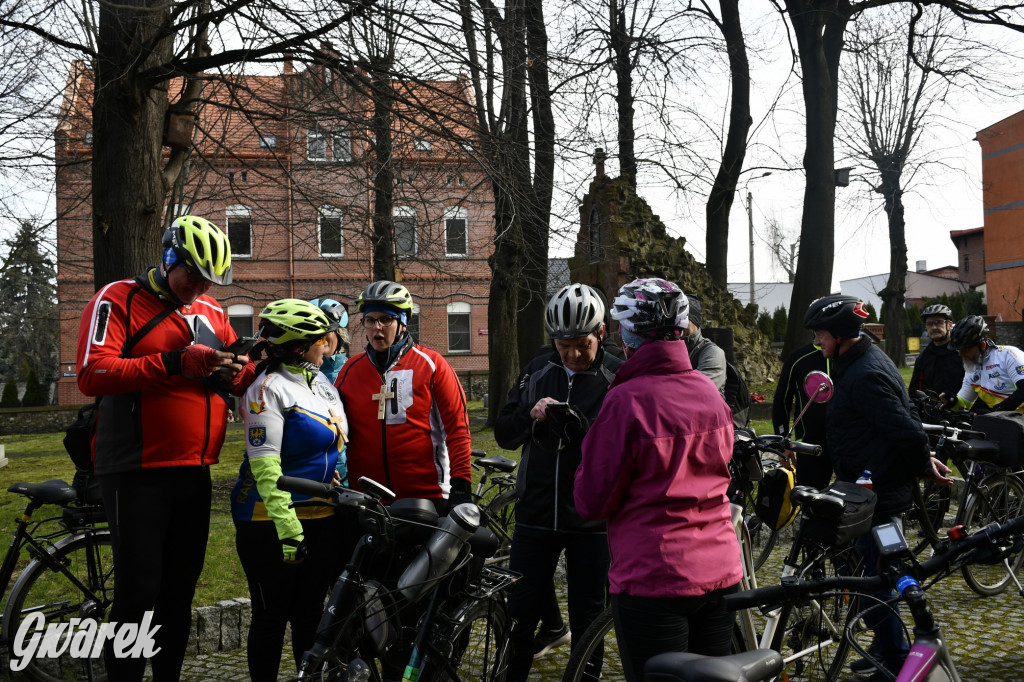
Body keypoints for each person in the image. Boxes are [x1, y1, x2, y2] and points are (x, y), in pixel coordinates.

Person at [75, 215, 247, 681]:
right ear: (170, 257)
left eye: (208, 281)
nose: (198, 288)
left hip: (194, 469)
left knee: (179, 593)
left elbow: (236, 371)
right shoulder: (119, 298)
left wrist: (237, 369)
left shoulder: (211, 313)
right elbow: (93, 373)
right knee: (137, 594)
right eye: (192, 276)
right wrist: (173, 361)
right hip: (135, 470)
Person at [574, 278, 741, 682]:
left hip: (654, 578)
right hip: (720, 573)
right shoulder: (708, 392)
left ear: (627, 336)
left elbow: (592, 500)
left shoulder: (625, 401)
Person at [803, 294, 952, 680]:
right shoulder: (859, 360)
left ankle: (896, 655)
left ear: (839, 333)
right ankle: (883, 643)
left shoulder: (864, 372)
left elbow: (905, 429)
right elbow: (908, 412)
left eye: (820, 334)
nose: (817, 341)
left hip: (877, 493)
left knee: (881, 575)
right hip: (864, 485)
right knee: (869, 569)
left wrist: (925, 465)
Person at [495, 282, 623, 682]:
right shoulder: (538, 368)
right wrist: (531, 416)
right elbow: (504, 433)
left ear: (600, 333)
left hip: (591, 521)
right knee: (520, 614)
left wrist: (587, 428)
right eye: (563, 345)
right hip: (535, 515)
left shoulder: (617, 374)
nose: (572, 354)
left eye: (581, 344)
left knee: (588, 617)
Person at [231, 299, 347, 681]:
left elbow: (334, 446)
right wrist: (289, 530)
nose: (328, 341)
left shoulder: (321, 382)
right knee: (271, 617)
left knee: (310, 616)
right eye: (320, 336)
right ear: (299, 344)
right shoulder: (267, 389)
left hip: (323, 516)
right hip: (269, 521)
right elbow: (266, 470)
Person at [334, 280, 472, 508]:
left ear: (403, 323)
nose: (376, 327)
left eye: (385, 319)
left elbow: (457, 430)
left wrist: (461, 484)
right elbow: (335, 432)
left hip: (426, 496)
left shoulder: (432, 365)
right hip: (366, 499)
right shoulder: (350, 370)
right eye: (370, 320)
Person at [772, 342, 833, 489]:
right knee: (811, 503)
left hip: (846, 443)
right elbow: (782, 400)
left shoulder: (849, 357)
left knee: (852, 503)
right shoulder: (799, 357)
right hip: (809, 444)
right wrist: (783, 441)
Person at [941, 315, 1024, 413]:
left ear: (982, 345)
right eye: (959, 350)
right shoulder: (972, 368)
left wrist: (996, 412)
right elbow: (965, 404)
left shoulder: (1009, 355)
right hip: (1009, 422)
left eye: (966, 350)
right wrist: (952, 402)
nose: (961, 355)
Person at [908, 304, 964, 398]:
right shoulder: (923, 359)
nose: (933, 327)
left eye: (938, 322)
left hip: (962, 409)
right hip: (932, 410)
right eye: (929, 324)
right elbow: (914, 391)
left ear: (949, 325)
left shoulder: (962, 353)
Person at [683, 296, 726, 395]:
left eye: (684, 318)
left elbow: (699, 391)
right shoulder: (666, 347)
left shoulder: (712, 353)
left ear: (694, 321)